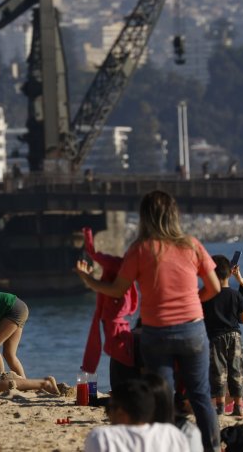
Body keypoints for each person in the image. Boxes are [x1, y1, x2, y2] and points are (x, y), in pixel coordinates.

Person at [75, 190, 221, 452]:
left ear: (145, 217)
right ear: (174, 215)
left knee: (161, 397)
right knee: (200, 395)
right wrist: (192, 303)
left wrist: (88, 280)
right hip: (193, 329)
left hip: (157, 333)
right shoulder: (191, 245)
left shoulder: (140, 249)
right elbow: (214, 288)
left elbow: (117, 290)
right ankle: (213, 448)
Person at [79, 227, 139, 389]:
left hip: (118, 326)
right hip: (123, 325)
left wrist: (87, 278)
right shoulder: (126, 268)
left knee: (118, 364)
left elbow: (115, 290)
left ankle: (98, 391)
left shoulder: (120, 268)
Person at [84, 378, 192, 452]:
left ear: (120, 412)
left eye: (109, 409)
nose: (108, 414)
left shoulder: (102, 438)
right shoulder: (173, 435)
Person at [202, 255, 243, 416]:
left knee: (218, 371)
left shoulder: (207, 296)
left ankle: (220, 407)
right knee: (237, 370)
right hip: (234, 336)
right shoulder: (235, 295)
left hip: (215, 337)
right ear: (230, 273)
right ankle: (238, 407)